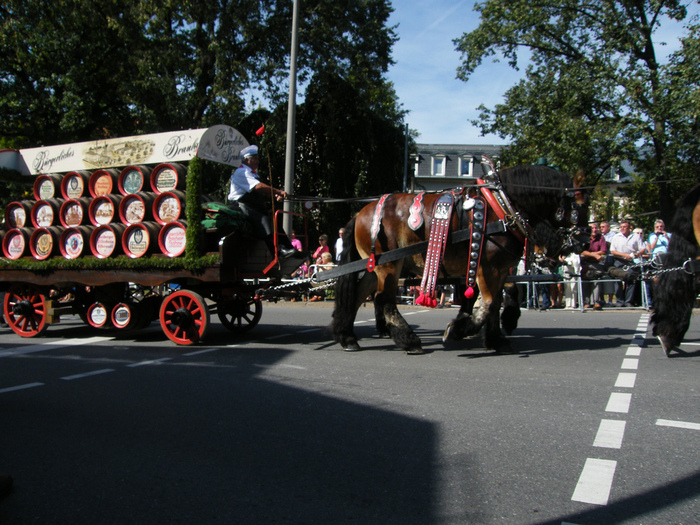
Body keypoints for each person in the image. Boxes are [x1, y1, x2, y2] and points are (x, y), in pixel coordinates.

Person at [228, 145, 299, 258]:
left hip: (251, 205)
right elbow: (258, 187)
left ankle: (289, 249)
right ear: (247, 160)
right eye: (254, 158)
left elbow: (258, 194)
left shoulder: (253, 173)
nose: (257, 161)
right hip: (241, 205)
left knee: (274, 219)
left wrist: (275, 196)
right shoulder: (241, 172)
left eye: (257, 158)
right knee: (263, 219)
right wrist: (279, 192)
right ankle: (278, 251)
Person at [609, 220, 645, 306]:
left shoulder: (636, 236)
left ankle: (628, 301)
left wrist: (637, 254)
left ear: (629, 228)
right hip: (618, 260)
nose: (622, 229)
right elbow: (612, 251)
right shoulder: (616, 237)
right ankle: (619, 301)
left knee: (631, 279)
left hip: (630, 261)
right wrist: (624, 255)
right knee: (618, 280)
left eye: (624, 227)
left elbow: (642, 248)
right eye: (621, 227)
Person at [580, 222, 608, 309]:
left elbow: (603, 251)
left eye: (596, 228)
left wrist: (591, 254)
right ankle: (586, 302)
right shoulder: (584, 237)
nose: (594, 230)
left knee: (597, 282)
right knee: (585, 283)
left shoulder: (601, 238)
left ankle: (596, 302)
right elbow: (581, 251)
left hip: (596, 263)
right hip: (585, 263)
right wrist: (595, 255)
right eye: (592, 228)